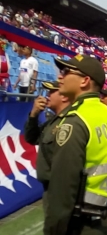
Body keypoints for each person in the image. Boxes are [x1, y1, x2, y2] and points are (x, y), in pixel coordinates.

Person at [42, 54, 107, 235]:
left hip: (85, 223)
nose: (60, 76)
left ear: (85, 81)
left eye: (66, 72)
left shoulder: (75, 121)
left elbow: (63, 193)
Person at [24, 81, 71, 215]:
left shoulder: (71, 121)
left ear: (64, 96)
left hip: (63, 190)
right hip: (51, 190)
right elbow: (31, 138)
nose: (47, 96)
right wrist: (34, 115)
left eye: (51, 92)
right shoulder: (52, 121)